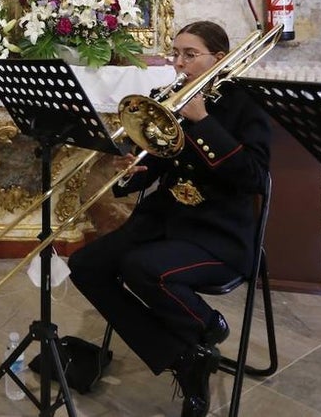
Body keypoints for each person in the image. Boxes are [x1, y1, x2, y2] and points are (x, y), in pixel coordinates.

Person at [67, 21, 271, 417]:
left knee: (142, 267)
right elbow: (160, 166)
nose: (179, 63)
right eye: (175, 54)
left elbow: (253, 176)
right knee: (85, 264)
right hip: (164, 219)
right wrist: (134, 170)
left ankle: (208, 324)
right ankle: (183, 357)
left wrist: (202, 121)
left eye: (189, 55)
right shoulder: (169, 97)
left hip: (220, 232)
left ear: (220, 58)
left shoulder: (247, 103)